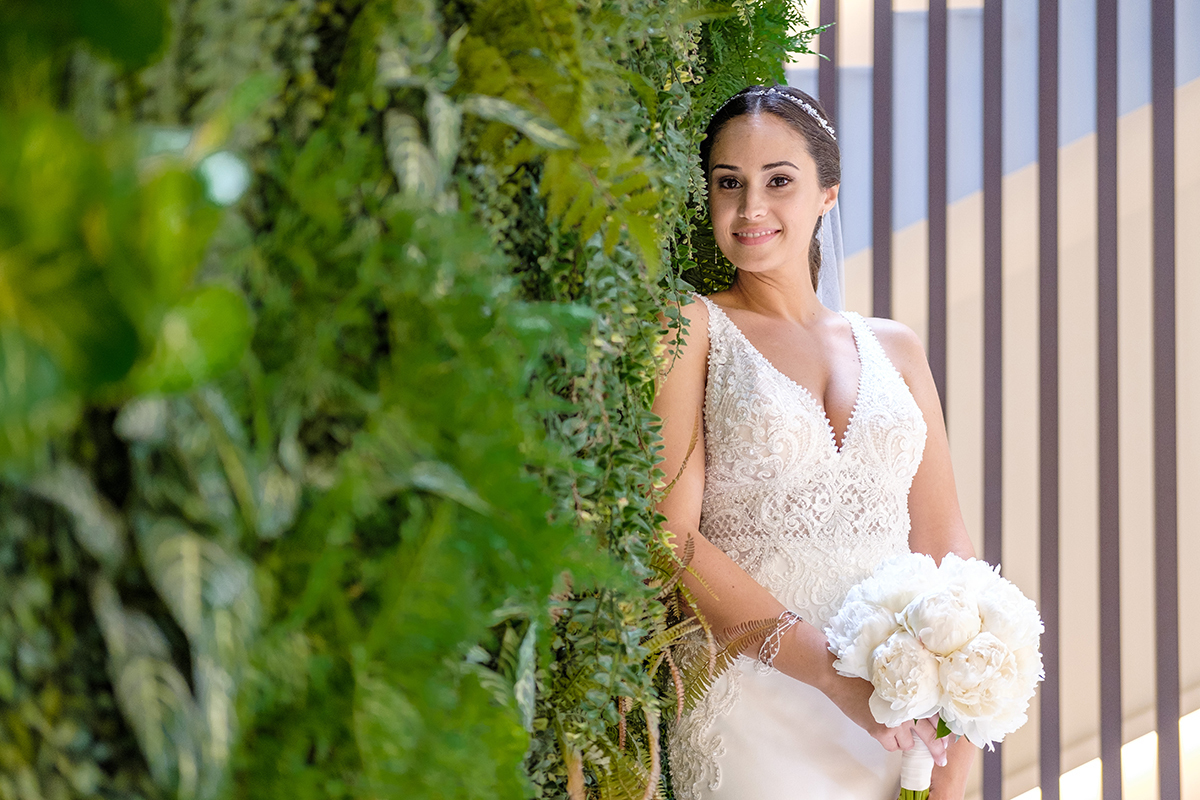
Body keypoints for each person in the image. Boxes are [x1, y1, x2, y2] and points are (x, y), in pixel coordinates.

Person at [655, 85, 978, 800]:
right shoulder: (692, 330)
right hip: (757, 701)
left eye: (779, 181)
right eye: (728, 184)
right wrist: (830, 673)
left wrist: (961, 723)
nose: (750, 210)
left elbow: (946, 545)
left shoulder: (897, 348)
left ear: (827, 193)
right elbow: (668, 536)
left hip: (897, 715)